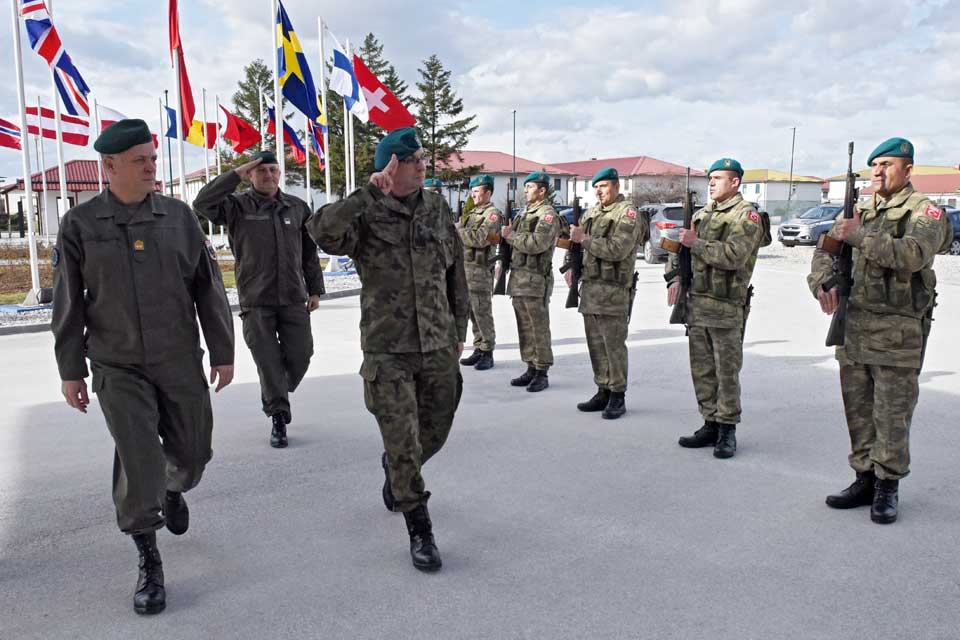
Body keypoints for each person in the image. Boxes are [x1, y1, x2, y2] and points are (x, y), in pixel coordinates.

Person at [51, 119, 235, 614]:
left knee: (194, 455)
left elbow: (208, 290)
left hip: (178, 358)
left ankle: (176, 488)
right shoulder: (81, 224)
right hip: (117, 363)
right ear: (109, 166)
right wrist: (71, 369)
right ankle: (148, 558)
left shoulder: (179, 217)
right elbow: (68, 303)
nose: (152, 166)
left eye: (153, 158)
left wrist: (223, 351)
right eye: (140, 160)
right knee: (138, 459)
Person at [307, 127, 468, 572]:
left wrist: (460, 326)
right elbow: (319, 231)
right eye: (412, 160)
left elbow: (454, 272)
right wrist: (365, 194)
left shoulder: (436, 208)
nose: (422, 166)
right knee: (403, 441)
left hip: (436, 340)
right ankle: (419, 526)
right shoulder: (367, 212)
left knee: (435, 428)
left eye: (421, 159)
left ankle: (397, 470)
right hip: (387, 347)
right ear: (392, 166)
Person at [808, 137, 952, 524]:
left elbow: (913, 255)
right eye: (874, 166)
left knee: (891, 415)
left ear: (908, 170)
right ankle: (864, 478)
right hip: (854, 327)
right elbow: (825, 251)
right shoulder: (861, 212)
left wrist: (858, 235)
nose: (878, 172)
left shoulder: (926, 213)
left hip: (897, 332)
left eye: (887, 165)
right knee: (858, 411)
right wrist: (823, 284)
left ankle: (888, 486)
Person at [193, 150, 324, 448]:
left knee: (302, 354)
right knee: (267, 360)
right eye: (261, 170)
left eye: (273, 170)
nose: (268, 175)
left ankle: (276, 388)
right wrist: (235, 173)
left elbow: (308, 252)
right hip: (256, 299)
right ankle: (278, 414)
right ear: (251, 174)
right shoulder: (236, 206)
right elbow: (202, 202)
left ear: (280, 173)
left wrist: (315, 288)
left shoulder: (297, 207)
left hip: (293, 296)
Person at [666, 158, 764, 459]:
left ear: (735, 183)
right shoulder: (702, 214)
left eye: (718, 178)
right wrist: (675, 277)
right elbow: (681, 251)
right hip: (697, 304)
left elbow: (734, 256)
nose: (711, 183)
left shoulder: (746, 216)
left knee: (726, 372)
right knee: (702, 370)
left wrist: (696, 243)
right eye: (710, 178)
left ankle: (727, 429)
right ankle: (709, 422)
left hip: (726, 306)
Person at [569, 168, 643, 419]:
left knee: (613, 346)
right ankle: (602, 388)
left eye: (604, 186)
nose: (599, 191)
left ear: (617, 187)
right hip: (590, 289)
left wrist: (585, 240)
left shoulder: (628, 214)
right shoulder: (591, 213)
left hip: (613, 289)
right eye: (596, 187)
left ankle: (617, 394)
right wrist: (571, 263)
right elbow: (575, 242)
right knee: (595, 344)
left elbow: (618, 249)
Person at [503, 171, 562, 392]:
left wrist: (510, 236)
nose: (525, 190)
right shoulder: (525, 213)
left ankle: (542, 370)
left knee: (538, 327)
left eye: (529, 187)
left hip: (535, 279)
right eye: (525, 187)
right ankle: (530, 365)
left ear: (542, 190)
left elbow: (538, 243)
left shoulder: (547, 215)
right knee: (524, 326)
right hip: (519, 278)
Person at [458, 174, 502, 370]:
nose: (473, 195)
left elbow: (481, 239)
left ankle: (488, 350)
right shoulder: (474, 213)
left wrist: (458, 231)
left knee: (482, 311)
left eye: (477, 191)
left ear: (488, 193)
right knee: (473, 313)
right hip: (467, 269)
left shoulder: (492, 214)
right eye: (472, 191)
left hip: (481, 270)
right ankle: (478, 347)